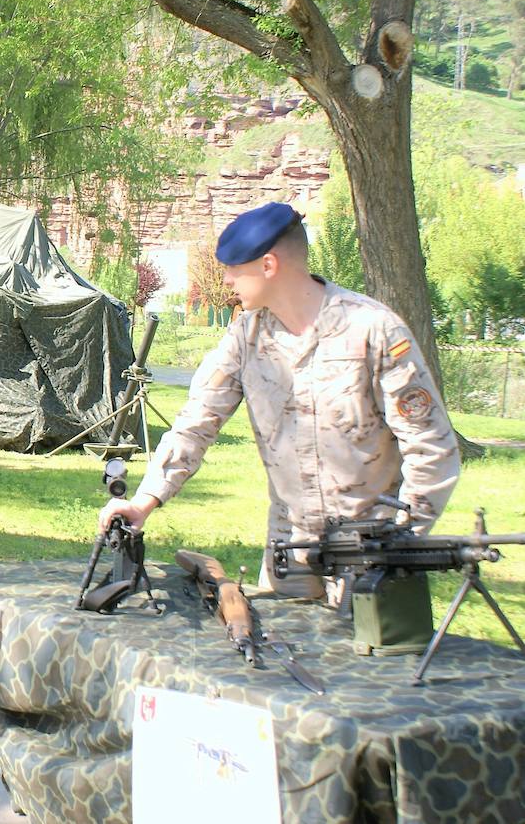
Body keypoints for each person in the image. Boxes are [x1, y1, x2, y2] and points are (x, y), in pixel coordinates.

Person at [98, 202, 461, 599]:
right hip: (290, 550)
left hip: (369, 553)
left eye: (234, 269)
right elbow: (194, 425)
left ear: (268, 265)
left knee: (366, 644)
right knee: (275, 638)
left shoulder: (372, 330)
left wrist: (400, 540)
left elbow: (432, 449)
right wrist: (143, 502)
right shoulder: (245, 338)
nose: (226, 280)